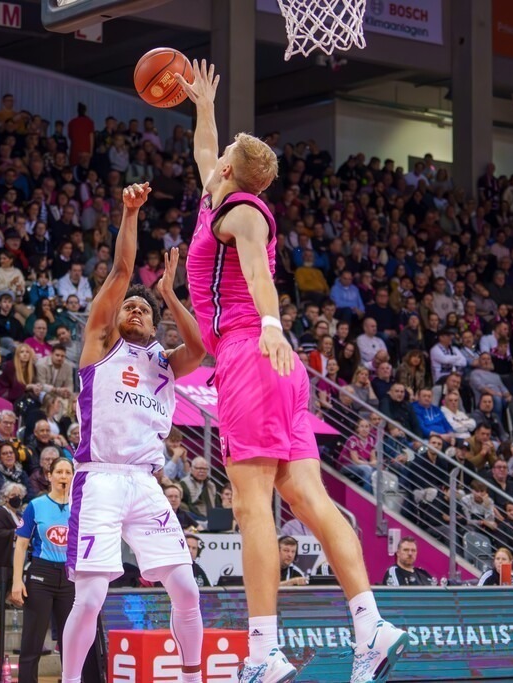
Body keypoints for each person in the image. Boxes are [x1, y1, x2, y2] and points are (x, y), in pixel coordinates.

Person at [178, 60, 405, 682]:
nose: (215, 154)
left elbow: (258, 274)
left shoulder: (242, 213)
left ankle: (261, 653)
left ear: (230, 171)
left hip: (252, 355)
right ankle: (371, 626)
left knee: (252, 510)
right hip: (274, 367)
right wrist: (202, 106)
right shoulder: (214, 200)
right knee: (309, 498)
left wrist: (274, 328)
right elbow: (205, 149)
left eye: (222, 152)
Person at [61, 182, 207, 683]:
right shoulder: (101, 343)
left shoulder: (165, 362)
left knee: (186, 589)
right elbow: (123, 272)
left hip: (146, 484)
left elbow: (202, 348)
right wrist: (129, 212)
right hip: (99, 477)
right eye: (130, 307)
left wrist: (169, 291)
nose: (135, 309)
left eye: (145, 308)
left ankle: (191, 677)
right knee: (93, 594)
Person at [12, 458, 102, 683]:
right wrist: (16, 581)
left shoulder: (82, 507)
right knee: (32, 641)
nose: (63, 476)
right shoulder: (36, 505)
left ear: (73, 476)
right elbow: (21, 544)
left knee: (73, 640)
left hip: (72, 575)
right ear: (49, 476)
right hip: (41, 574)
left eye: (67, 472)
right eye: (59, 472)